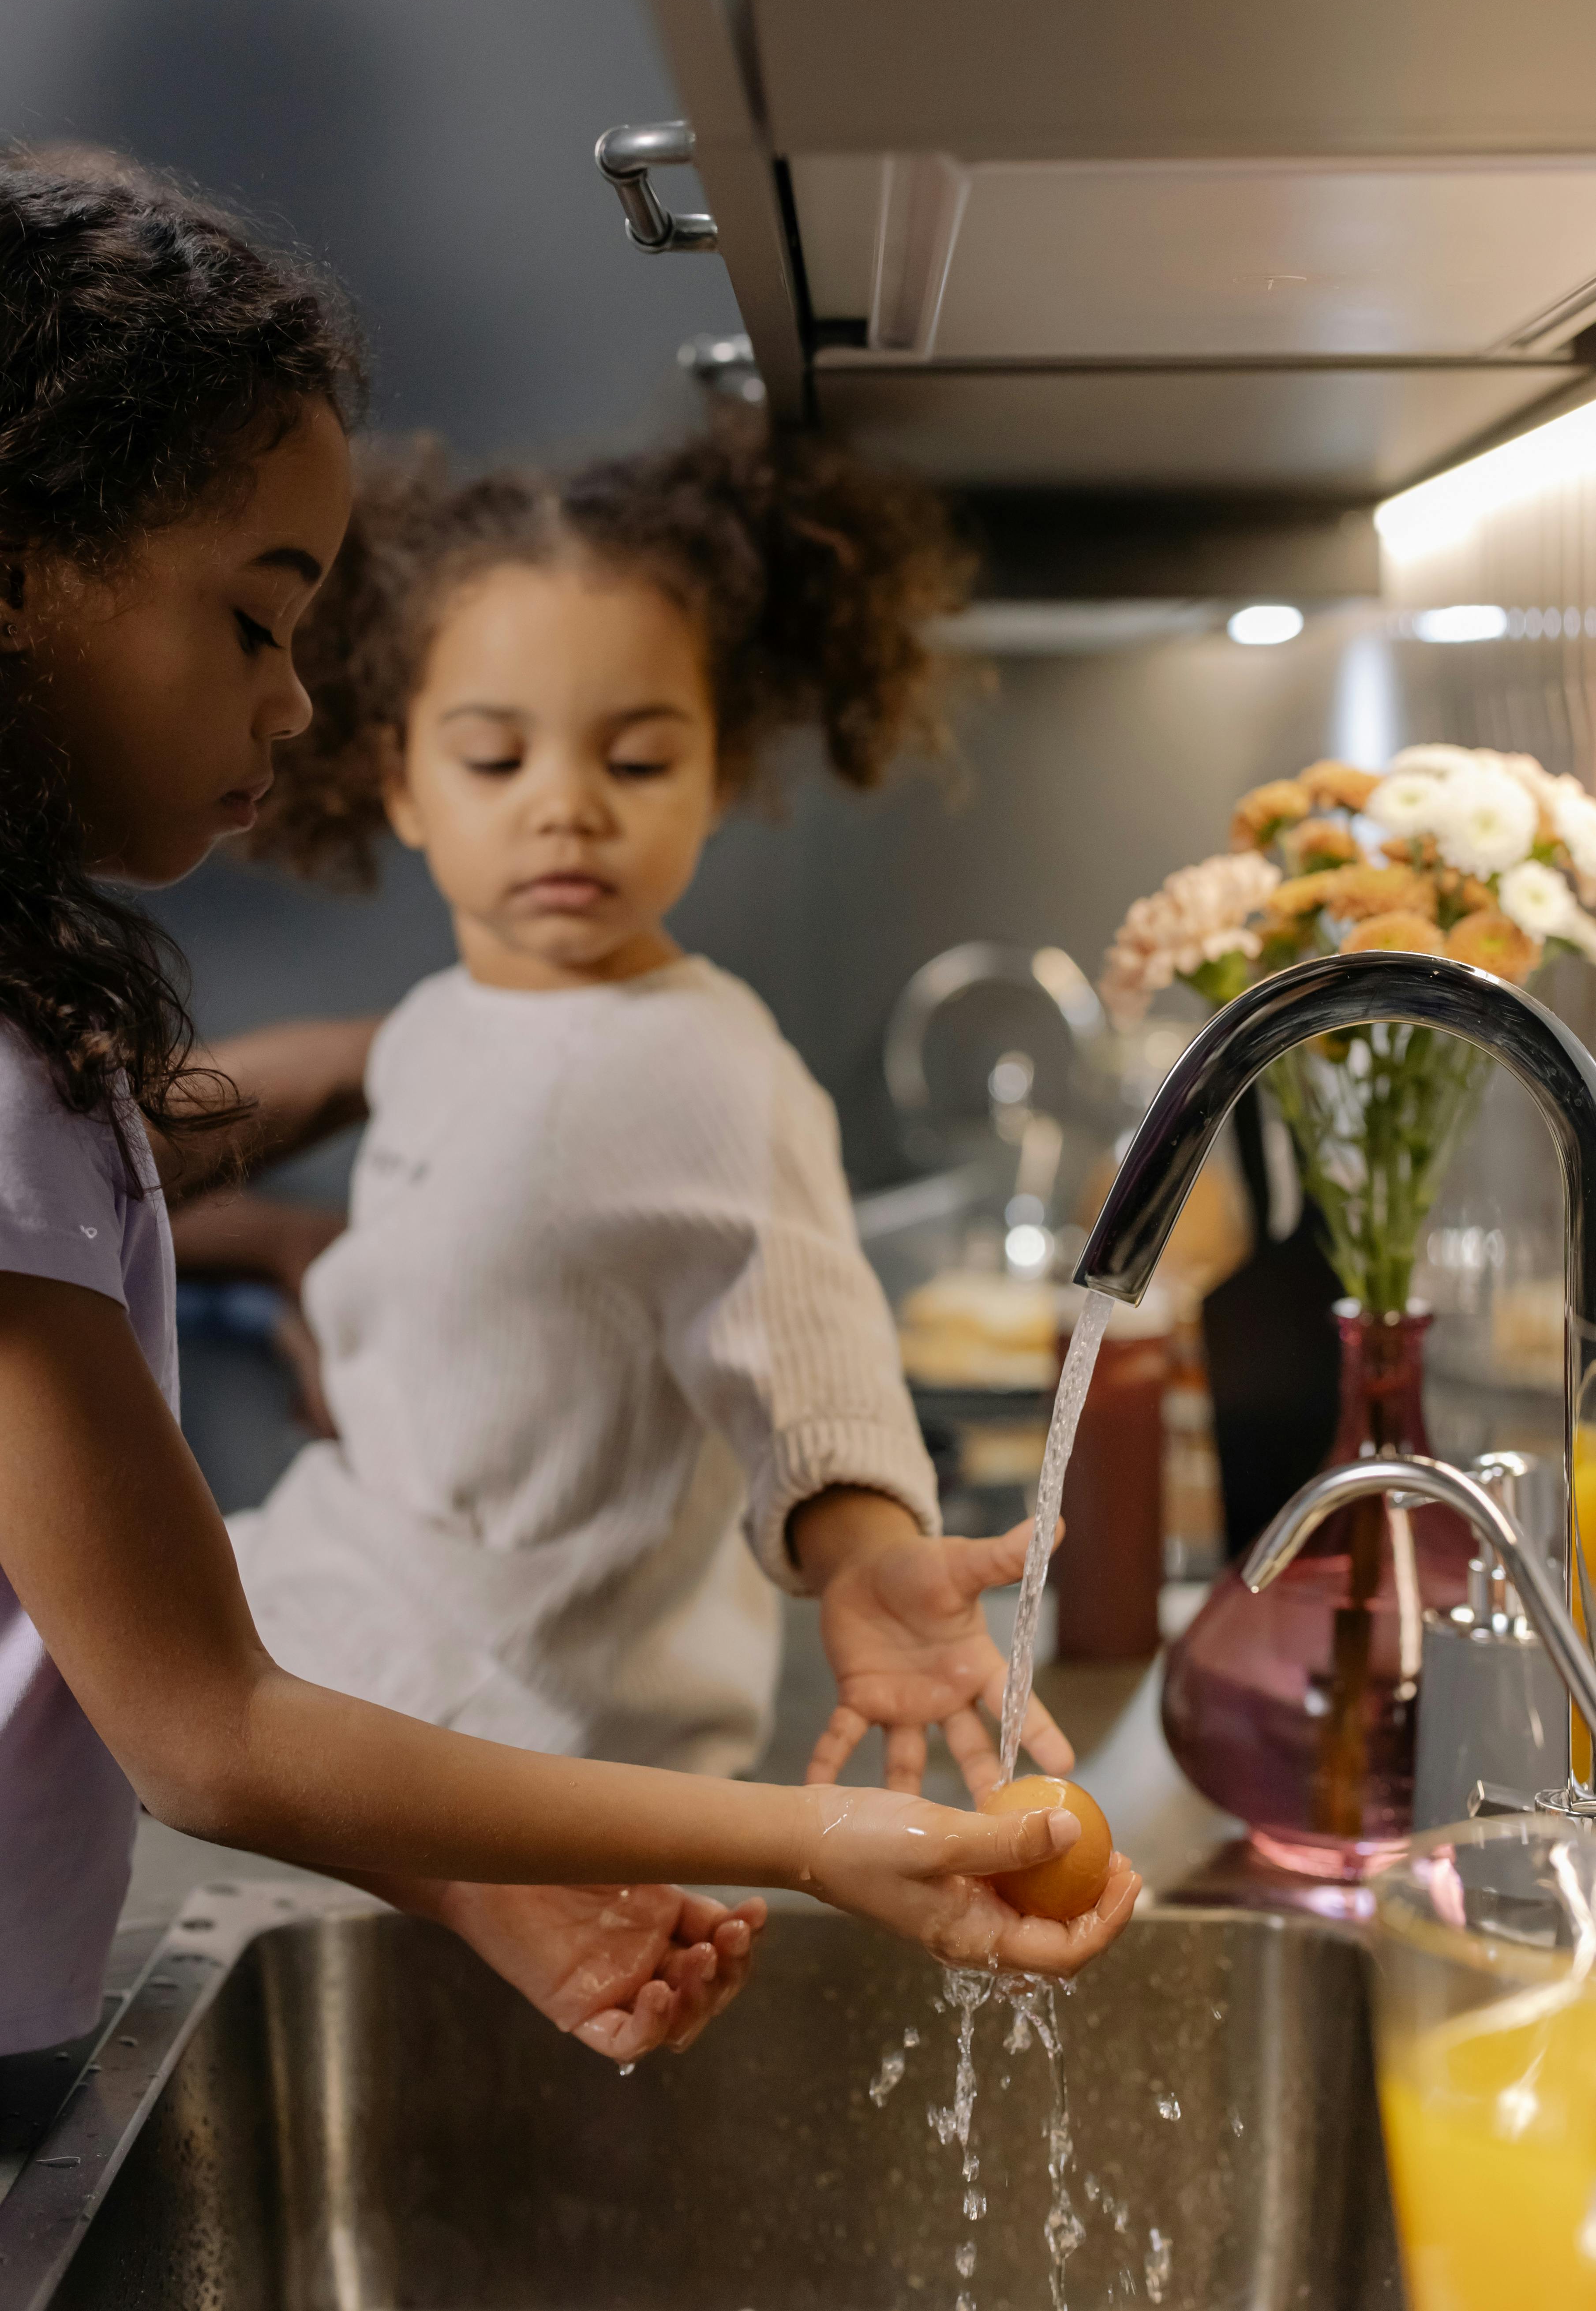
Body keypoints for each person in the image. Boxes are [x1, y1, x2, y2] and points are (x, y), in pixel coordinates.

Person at [0, 154, 1138, 2074]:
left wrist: (480, 1869)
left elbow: (794, 1316)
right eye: (258, 623)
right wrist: (815, 1836)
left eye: (634, 754)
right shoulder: (123, 1047)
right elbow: (201, 1726)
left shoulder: (663, 1047)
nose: (282, 705)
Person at [197, 423, 1089, 1810]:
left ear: (720, 774)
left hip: (541, 1767)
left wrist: (867, 1556)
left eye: (636, 760)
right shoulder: (442, 1019)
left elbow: (805, 1350)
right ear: (400, 783)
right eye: (496, 760)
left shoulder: (701, 1063)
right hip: (362, 1677)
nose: (564, 808)